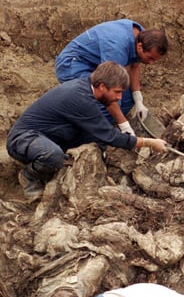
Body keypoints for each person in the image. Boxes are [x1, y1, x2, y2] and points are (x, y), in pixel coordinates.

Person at [6, 61, 167, 200]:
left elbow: (102, 134)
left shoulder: (86, 90)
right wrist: (149, 142)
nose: (119, 98)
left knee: (95, 138)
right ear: (102, 86)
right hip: (23, 139)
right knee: (53, 155)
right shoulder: (80, 98)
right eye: (117, 92)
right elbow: (110, 135)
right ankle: (29, 176)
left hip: (50, 135)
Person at [55, 19, 168, 134]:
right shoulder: (117, 47)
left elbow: (134, 65)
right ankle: (86, 129)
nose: (152, 63)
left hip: (96, 65)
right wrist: (124, 126)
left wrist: (138, 100)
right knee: (105, 97)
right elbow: (109, 92)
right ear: (139, 47)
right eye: (150, 58)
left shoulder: (143, 36)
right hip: (73, 64)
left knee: (128, 98)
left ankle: (103, 124)